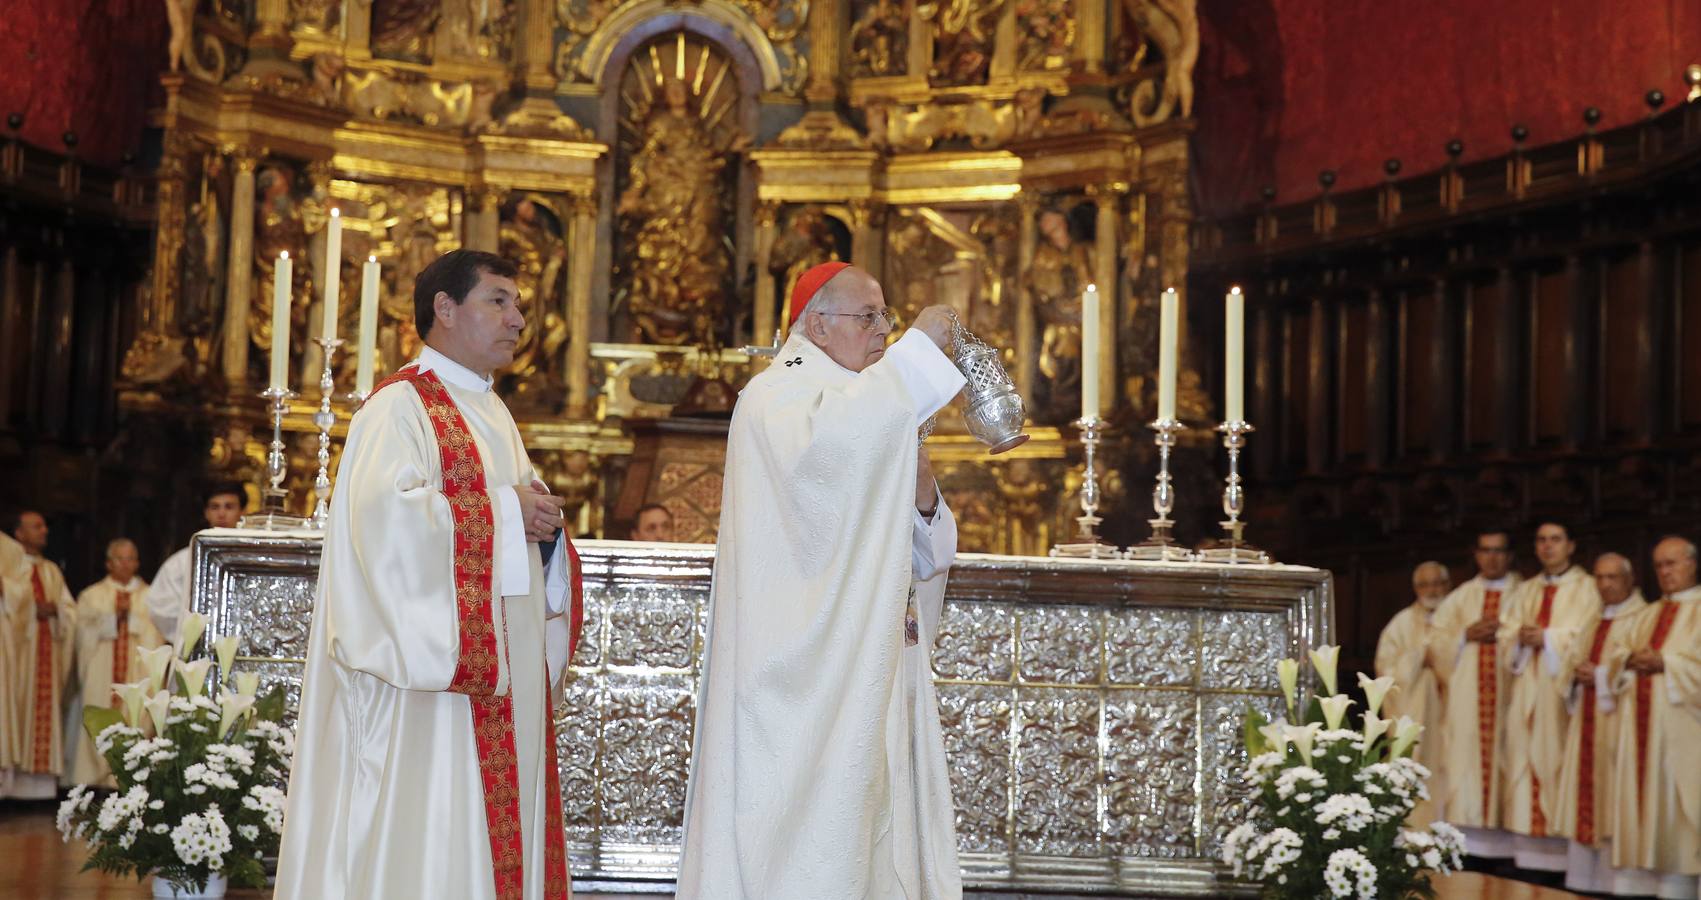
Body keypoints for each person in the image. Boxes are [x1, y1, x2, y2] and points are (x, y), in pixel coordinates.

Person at [275, 249, 585, 900]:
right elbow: (382, 529)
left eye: (518, 303)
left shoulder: (492, 410)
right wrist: (506, 513)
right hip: (430, 698)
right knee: (431, 836)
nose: (518, 319)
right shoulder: (400, 408)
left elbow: (512, 531)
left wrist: (543, 530)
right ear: (444, 309)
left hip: (496, 686)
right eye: (498, 301)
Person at [679, 262, 966, 898]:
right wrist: (920, 348)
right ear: (816, 325)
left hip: (865, 665)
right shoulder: (779, 397)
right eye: (870, 317)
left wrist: (922, 498)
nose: (884, 332)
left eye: (888, 319)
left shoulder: (870, 410)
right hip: (796, 683)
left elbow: (921, 554)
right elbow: (828, 465)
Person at [1502, 520, 1600, 873]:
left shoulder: (1588, 588)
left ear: (1571, 545)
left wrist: (1547, 639)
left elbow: (1588, 635)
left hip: (1560, 698)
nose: (1547, 547)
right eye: (1541, 540)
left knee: (1556, 763)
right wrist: (1518, 639)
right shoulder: (1525, 590)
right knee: (1522, 763)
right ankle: (1525, 860)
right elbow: (1506, 634)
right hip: (1527, 689)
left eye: (1555, 540)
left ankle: (1559, 862)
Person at [1607, 536, 1701, 900]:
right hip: (1640, 731)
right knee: (1639, 803)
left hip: (1685, 735)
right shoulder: (1646, 614)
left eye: (1672, 563)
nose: (1665, 571)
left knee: (1680, 809)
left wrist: (1667, 664)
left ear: (1692, 564)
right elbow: (1617, 655)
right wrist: (1630, 661)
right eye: (1659, 565)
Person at [1552, 553, 1650, 894]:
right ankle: (1584, 883)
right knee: (1585, 798)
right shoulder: (1593, 620)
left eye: (1613, 577)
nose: (1605, 584)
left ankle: (1615, 884)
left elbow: (1639, 670)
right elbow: (1568, 665)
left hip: (1620, 728)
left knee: (1614, 802)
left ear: (1630, 578)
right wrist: (1576, 675)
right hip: (1586, 723)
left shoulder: (1643, 618)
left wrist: (1601, 676)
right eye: (1600, 577)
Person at [1426, 528, 1522, 858]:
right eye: (1485, 550)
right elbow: (1436, 643)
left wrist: (1507, 635)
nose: (1492, 557)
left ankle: (1509, 848)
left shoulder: (1525, 593)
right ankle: (1470, 847)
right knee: (1467, 760)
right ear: (1476, 555)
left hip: (1511, 697)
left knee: (1511, 759)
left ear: (1509, 556)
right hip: (1468, 701)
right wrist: (1465, 635)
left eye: (1499, 551)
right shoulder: (1461, 598)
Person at [68, 538, 160, 787]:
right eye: (120, 558)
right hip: (100, 670)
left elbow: (158, 635)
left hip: (136, 670)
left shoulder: (152, 597)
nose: (125, 564)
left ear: (138, 563)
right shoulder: (91, 595)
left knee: (136, 717)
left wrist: (132, 621)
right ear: (109, 563)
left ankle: (128, 781)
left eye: (131, 558)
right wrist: (110, 621)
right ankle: (94, 780)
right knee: (97, 716)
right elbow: (80, 634)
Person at [0, 510, 75, 799]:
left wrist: (55, 610)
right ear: (18, 533)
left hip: (44, 651)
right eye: (36, 526)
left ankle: (35, 790)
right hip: (15, 652)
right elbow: (13, 595)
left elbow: (70, 609)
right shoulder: (10, 560)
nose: (44, 531)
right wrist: (31, 605)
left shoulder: (52, 571)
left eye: (44, 525)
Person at [1375, 560, 1451, 826]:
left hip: (1453, 715)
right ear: (1415, 588)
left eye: (1437, 583)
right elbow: (1385, 669)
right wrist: (1420, 657)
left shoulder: (1459, 616)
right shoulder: (1402, 623)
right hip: (1418, 716)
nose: (1432, 590)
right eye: (1425, 584)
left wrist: (1442, 658)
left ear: (1447, 585)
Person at [146, 483, 244, 644]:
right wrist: (193, 633)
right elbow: (160, 606)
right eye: (215, 507)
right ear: (206, 513)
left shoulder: (252, 559)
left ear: (241, 512)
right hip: (196, 649)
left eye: (229, 507)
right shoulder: (182, 561)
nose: (221, 513)